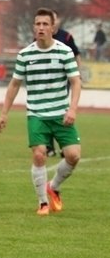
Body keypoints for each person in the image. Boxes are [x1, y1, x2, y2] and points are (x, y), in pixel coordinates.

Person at [0, 7, 81, 216]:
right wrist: (4, 113)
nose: (41, 27)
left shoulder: (64, 51)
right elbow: (14, 84)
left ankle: (53, 187)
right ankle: (43, 203)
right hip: (36, 114)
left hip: (61, 113)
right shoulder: (25, 55)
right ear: (34, 27)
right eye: (37, 24)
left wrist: (72, 109)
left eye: (45, 24)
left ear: (53, 27)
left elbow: (76, 82)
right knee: (39, 155)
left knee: (73, 156)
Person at [47, 10, 82, 157]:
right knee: (45, 112)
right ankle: (48, 147)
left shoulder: (66, 36)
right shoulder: (40, 37)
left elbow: (76, 55)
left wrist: (77, 74)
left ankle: (65, 145)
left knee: (61, 111)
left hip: (63, 80)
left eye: (53, 19)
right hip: (46, 81)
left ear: (57, 21)